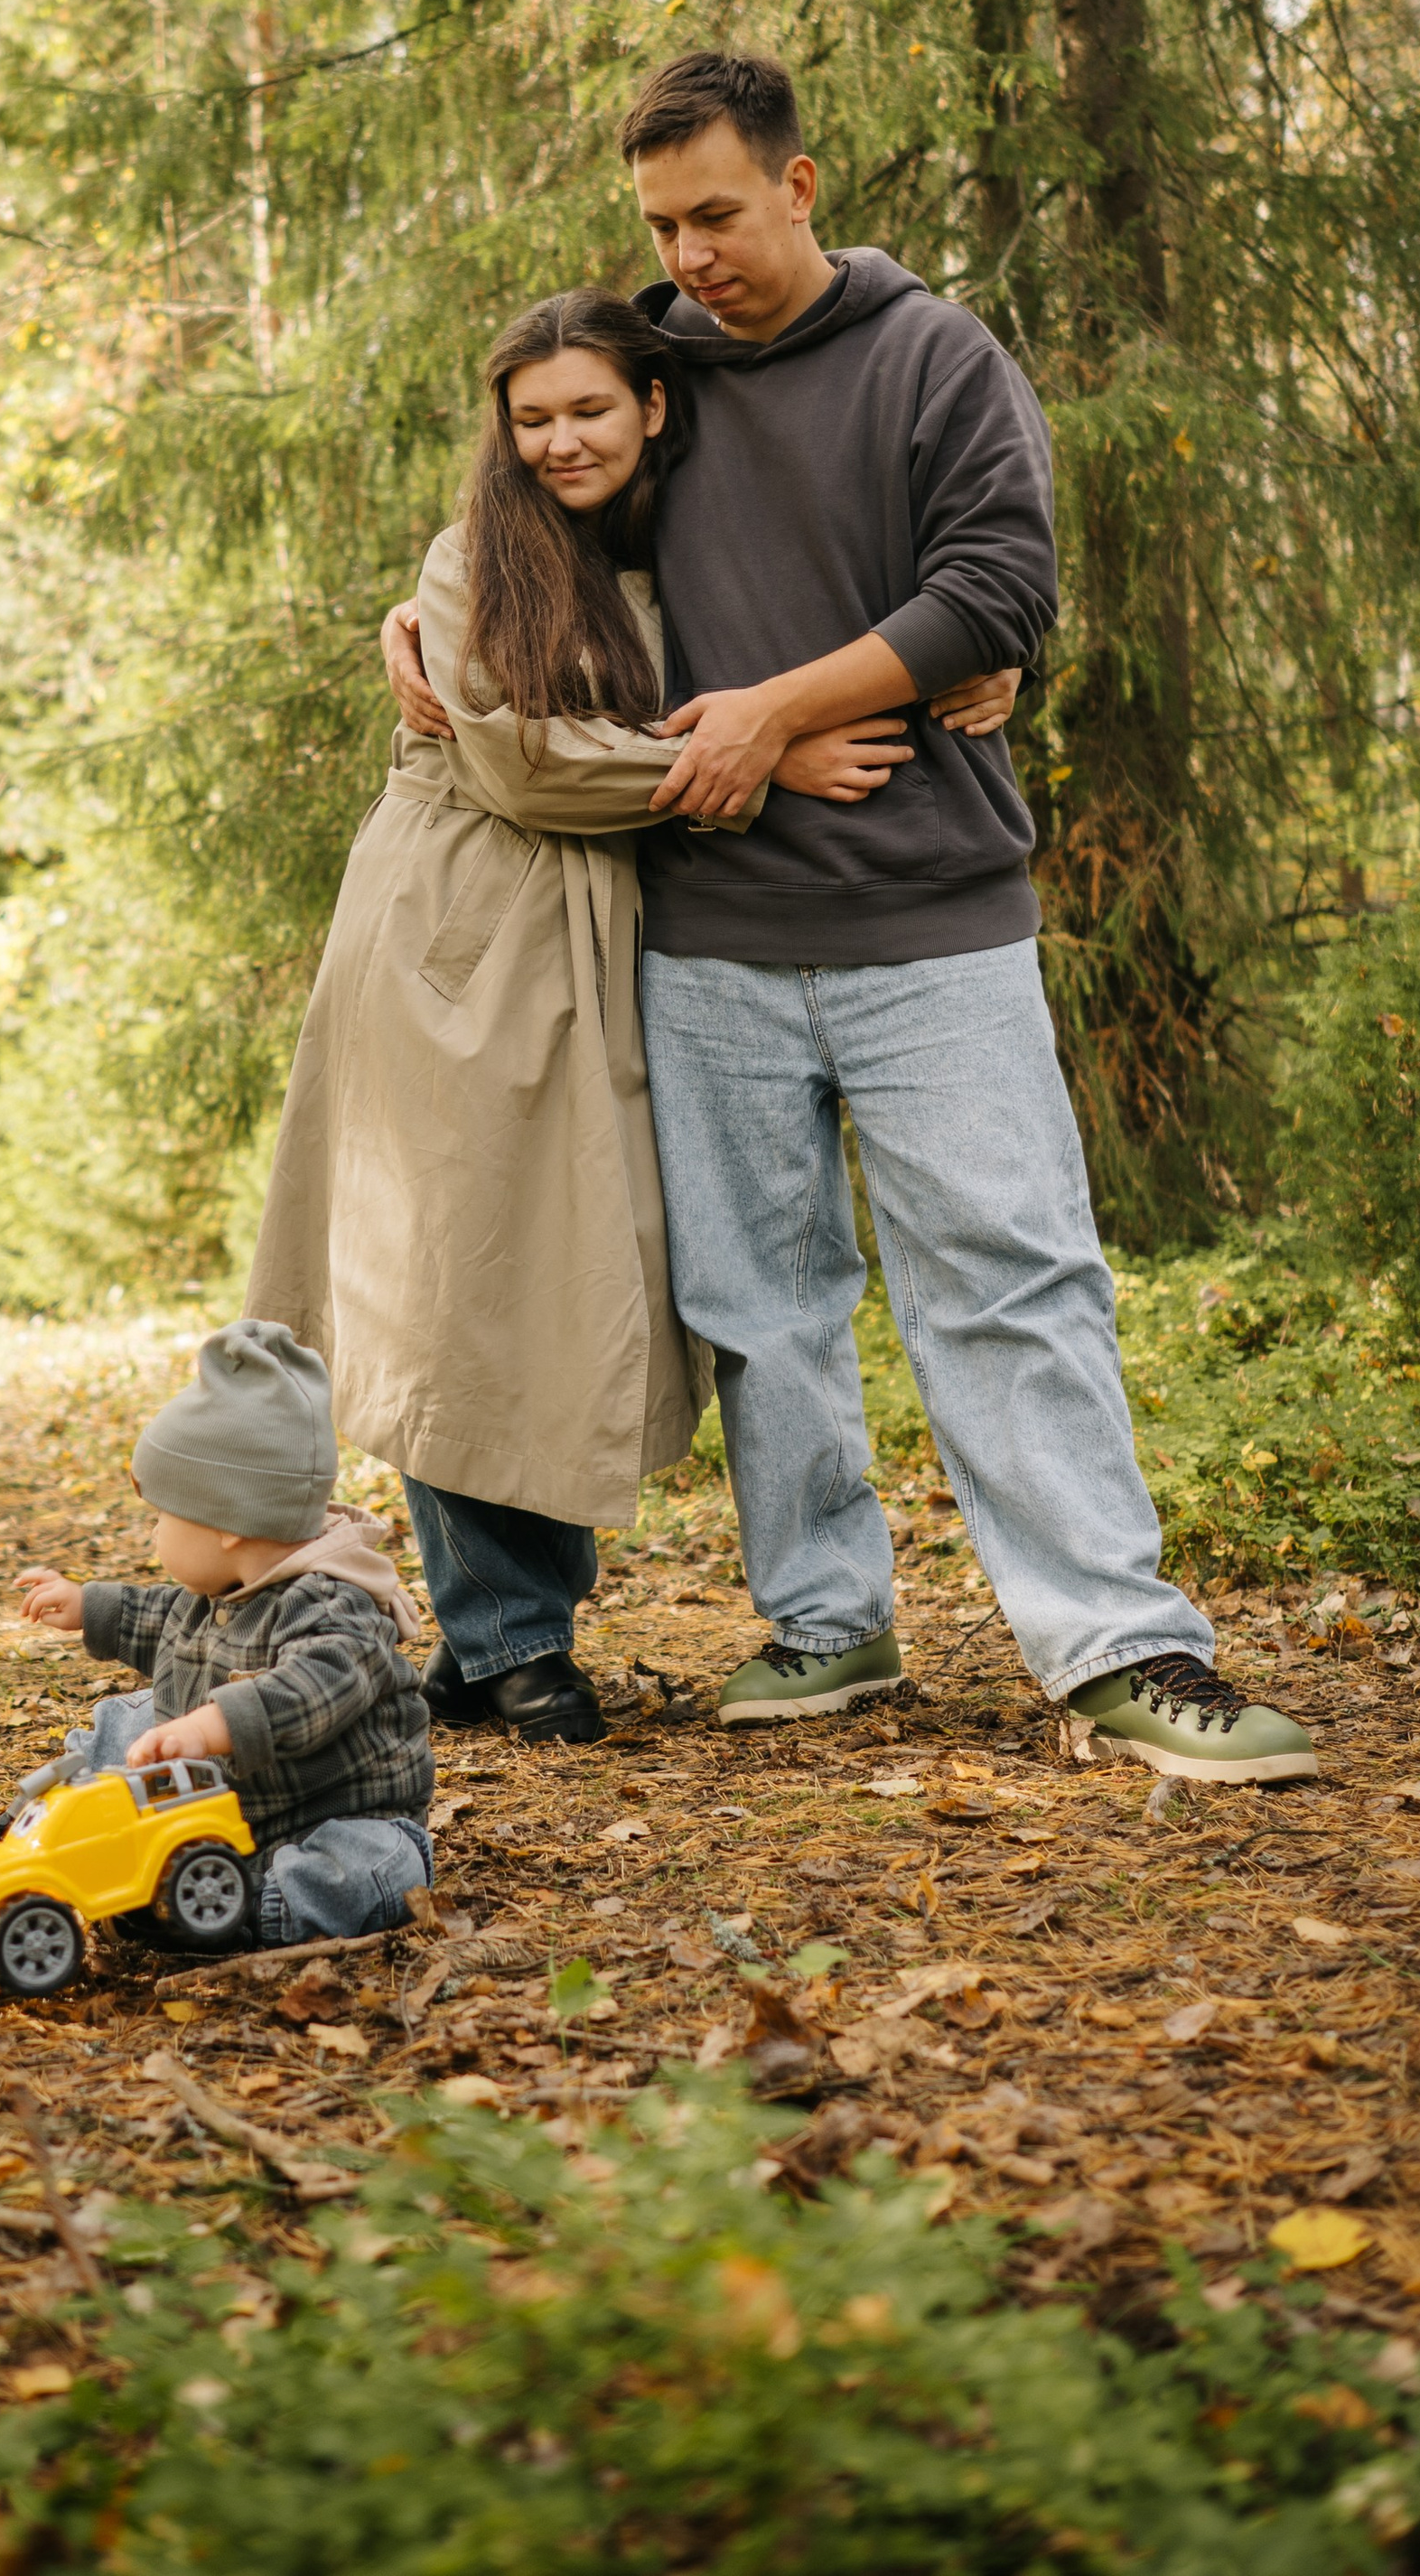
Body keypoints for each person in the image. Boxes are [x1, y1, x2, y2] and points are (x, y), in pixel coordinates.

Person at [387, 52, 1315, 1787]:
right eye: (662, 224)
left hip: (932, 928)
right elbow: (543, 498)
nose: (694, 254)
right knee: (765, 1305)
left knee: (1015, 1280)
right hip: (710, 940)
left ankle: (1119, 1642)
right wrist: (418, 604)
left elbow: (997, 584)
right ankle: (830, 1618)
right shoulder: (656, 374)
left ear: (802, 187)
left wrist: (775, 708)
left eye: (720, 215)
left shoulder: (931, 357)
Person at [252, 287, 1018, 1746]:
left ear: (653, 407)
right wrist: (770, 756)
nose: (557, 441)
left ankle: (494, 1643)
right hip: (459, 943)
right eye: (529, 418)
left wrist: (980, 648)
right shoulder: (479, 556)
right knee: (466, 1281)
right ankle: (509, 1634)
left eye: (589, 409)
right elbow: (530, 766)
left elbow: (859, 600)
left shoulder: (678, 539)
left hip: (599, 939)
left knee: (555, 1284)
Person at [14, 1317, 436, 1943]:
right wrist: (90, 1606)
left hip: (328, 1814)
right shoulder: (219, 1591)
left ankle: (240, 1916)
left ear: (227, 1524)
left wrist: (213, 1724)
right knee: (123, 1723)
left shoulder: (334, 1605)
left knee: (375, 1865)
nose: (155, 1535)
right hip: (222, 1811)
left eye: (161, 1517)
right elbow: (161, 1622)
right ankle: (36, 1838)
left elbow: (315, 1687)